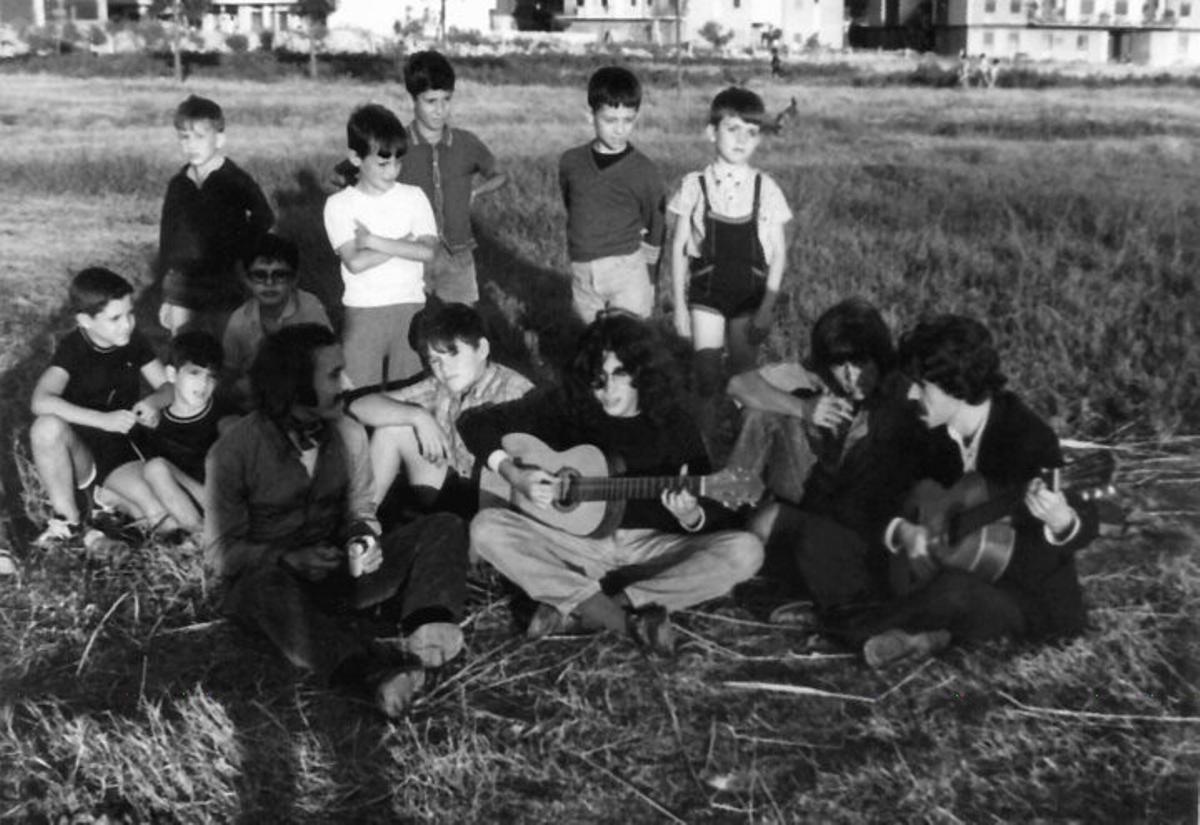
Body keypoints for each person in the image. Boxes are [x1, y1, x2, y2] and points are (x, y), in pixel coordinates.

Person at [204, 324, 469, 717]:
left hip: (340, 574)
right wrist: (287, 559)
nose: (347, 383)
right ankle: (371, 674)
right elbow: (219, 554)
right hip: (275, 585)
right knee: (262, 588)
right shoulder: (232, 452)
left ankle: (428, 632)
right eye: (333, 374)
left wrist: (362, 539)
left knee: (442, 525)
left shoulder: (349, 433)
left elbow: (361, 509)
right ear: (294, 384)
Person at [460, 313, 763, 655]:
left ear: (642, 373)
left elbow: (708, 512)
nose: (606, 388)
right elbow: (476, 425)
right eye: (597, 377)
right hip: (575, 547)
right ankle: (622, 619)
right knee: (486, 528)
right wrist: (516, 476)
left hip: (648, 549)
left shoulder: (674, 423)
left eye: (619, 374)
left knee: (745, 551)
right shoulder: (567, 409)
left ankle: (587, 608)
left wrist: (690, 515)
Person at [830, 315, 1100, 667]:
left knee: (952, 591)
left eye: (921, 385)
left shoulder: (1025, 434)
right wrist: (903, 529)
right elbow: (877, 495)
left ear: (955, 385)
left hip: (1023, 601)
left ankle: (861, 631)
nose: (911, 394)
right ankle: (929, 637)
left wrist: (1061, 519)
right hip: (943, 578)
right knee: (845, 544)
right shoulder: (926, 431)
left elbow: (1085, 521)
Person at [725, 298, 928, 612]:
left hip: (861, 517)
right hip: (809, 493)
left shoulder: (900, 390)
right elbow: (738, 384)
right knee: (758, 414)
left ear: (879, 356)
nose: (851, 376)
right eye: (840, 365)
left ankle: (781, 576)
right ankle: (724, 514)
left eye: (861, 363)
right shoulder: (816, 375)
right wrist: (804, 408)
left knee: (768, 524)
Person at [331, 51, 507, 306]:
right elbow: (339, 175)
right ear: (413, 99)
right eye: (431, 101)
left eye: (447, 100)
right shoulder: (395, 144)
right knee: (414, 331)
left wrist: (476, 192)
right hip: (408, 252)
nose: (440, 110)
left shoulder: (466, 143)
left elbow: (499, 174)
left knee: (460, 329)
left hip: (458, 255)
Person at [348, 302, 533, 523]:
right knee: (392, 428)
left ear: (482, 350)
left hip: (497, 502)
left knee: (496, 471)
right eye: (435, 360)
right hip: (451, 486)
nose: (444, 369)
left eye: (453, 354)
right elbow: (357, 407)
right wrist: (418, 417)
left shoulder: (514, 391)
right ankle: (360, 525)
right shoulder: (440, 384)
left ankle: (475, 548)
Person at [30, 268, 174, 545]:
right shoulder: (74, 347)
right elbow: (40, 400)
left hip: (120, 449)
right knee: (46, 426)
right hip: (80, 448)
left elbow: (168, 388)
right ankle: (67, 521)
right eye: (115, 318)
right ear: (85, 320)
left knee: (161, 516)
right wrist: (101, 419)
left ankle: (105, 506)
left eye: (130, 314)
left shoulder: (133, 341)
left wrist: (153, 403)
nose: (127, 324)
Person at [668, 86, 793, 396]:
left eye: (751, 132)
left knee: (744, 374)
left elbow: (779, 254)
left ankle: (743, 434)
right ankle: (706, 436)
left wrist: (766, 308)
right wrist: (681, 309)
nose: (741, 139)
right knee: (706, 371)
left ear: (759, 138)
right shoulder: (694, 185)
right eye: (732, 129)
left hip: (748, 298)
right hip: (706, 295)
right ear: (711, 132)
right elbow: (679, 248)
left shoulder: (766, 188)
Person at [323, 103, 437, 387]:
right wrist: (404, 242)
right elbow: (356, 263)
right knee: (356, 395)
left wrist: (373, 241)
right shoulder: (339, 205)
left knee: (413, 391)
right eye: (383, 163)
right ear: (355, 157)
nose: (392, 171)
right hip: (363, 312)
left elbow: (427, 252)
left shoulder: (414, 197)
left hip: (410, 309)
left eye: (398, 162)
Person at [158, 94, 274, 336]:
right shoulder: (178, 184)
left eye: (200, 137)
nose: (191, 145)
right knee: (183, 346)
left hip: (224, 278)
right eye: (184, 138)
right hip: (182, 282)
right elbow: (167, 237)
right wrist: (166, 293)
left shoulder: (234, 179)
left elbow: (263, 216)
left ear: (219, 138)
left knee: (226, 347)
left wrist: (238, 250)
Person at [559, 66, 667, 321]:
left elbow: (656, 225)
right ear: (590, 115)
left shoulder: (644, 170)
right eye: (610, 120)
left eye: (628, 120)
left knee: (628, 347)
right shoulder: (571, 162)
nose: (620, 130)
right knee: (593, 347)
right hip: (583, 272)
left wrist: (650, 280)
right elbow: (571, 202)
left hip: (627, 271)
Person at [139, 331, 236, 536]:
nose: (203, 384)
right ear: (172, 375)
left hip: (224, 503)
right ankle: (201, 535)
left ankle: (209, 539)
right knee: (154, 469)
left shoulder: (223, 415)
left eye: (211, 376)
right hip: (184, 506)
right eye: (194, 373)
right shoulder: (156, 421)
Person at [222, 233, 332, 409]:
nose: (269, 283)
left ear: (294, 279)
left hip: (305, 399)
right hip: (257, 404)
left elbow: (327, 360)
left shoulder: (310, 306)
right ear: (247, 280)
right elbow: (229, 376)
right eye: (259, 275)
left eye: (280, 275)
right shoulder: (239, 320)